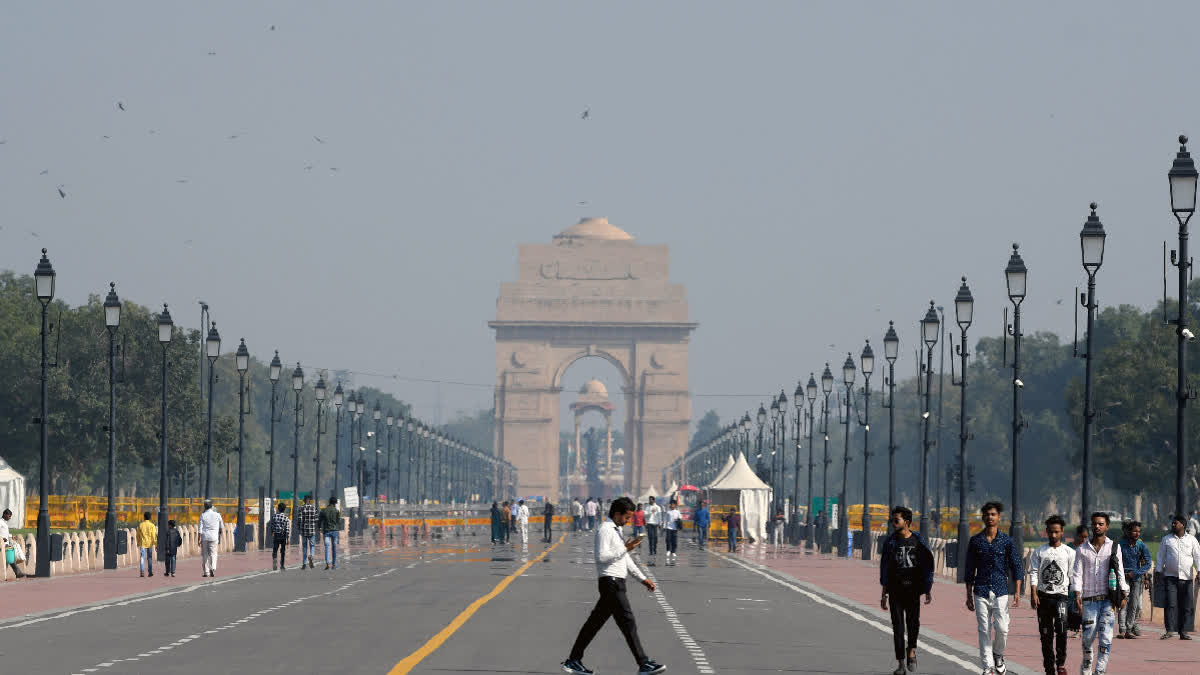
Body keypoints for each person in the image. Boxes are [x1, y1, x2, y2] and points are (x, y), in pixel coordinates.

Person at [561, 496, 667, 675]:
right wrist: (625, 548)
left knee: (593, 624)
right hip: (610, 582)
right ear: (617, 514)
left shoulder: (616, 530)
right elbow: (601, 557)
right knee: (628, 622)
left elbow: (625, 559)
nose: (628, 521)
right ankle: (643, 663)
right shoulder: (605, 530)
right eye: (626, 517)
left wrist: (642, 578)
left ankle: (573, 660)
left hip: (616, 582)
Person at [964, 501, 1024, 675]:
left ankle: (998, 654)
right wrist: (968, 595)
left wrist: (1018, 592)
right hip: (980, 590)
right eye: (987, 514)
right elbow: (969, 569)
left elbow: (1017, 566)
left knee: (1003, 628)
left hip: (1000, 590)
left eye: (993, 514)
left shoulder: (1007, 541)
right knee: (983, 629)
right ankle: (988, 667)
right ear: (983, 517)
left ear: (999, 517)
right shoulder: (976, 541)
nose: (990, 517)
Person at [1071, 512, 1128, 675]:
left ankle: (1100, 671)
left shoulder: (1114, 547)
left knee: (1105, 638)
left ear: (1107, 526)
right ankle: (1087, 665)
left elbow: (1120, 571)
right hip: (1089, 600)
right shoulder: (1082, 549)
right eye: (1095, 524)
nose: (1097, 526)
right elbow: (1077, 573)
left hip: (1107, 601)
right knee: (1088, 638)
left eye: (1101, 524)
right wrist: (1077, 594)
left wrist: (1124, 593)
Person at [880, 506, 933, 675]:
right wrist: (884, 593)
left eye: (896, 520)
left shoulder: (918, 540)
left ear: (907, 522)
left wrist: (928, 588)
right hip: (895, 590)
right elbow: (885, 567)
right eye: (892, 520)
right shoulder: (890, 542)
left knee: (913, 624)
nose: (893, 524)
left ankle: (911, 650)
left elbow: (927, 565)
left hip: (913, 590)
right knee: (898, 628)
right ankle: (901, 664)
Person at [1028, 514, 1075, 675]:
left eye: (1056, 532)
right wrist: (1033, 593)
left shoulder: (1069, 552)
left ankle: (1060, 663)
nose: (1053, 535)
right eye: (1050, 532)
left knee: (1061, 630)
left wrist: (1076, 597)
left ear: (1062, 532)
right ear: (1046, 532)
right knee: (1046, 634)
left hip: (1061, 596)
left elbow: (1072, 576)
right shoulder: (1040, 552)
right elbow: (1033, 572)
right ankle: (1049, 666)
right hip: (1043, 597)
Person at [1156, 513, 1200, 640]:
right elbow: (1160, 556)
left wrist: (1199, 571)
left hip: (1187, 578)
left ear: (1183, 525)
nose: (1173, 525)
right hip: (1170, 577)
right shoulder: (1167, 539)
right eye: (1173, 523)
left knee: (1186, 606)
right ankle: (1169, 630)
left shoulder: (1191, 539)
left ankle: (1183, 631)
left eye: (1176, 523)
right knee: (1171, 604)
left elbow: (1198, 556)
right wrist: (1158, 571)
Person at [1117, 520, 1151, 639]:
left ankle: (1129, 629)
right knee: (1123, 602)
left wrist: (1137, 572)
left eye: (1139, 531)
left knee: (1134, 604)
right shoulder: (1120, 545)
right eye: (1134, 531)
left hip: (1136, 578)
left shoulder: (1141, 545)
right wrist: (1121, 573)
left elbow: (1148, 563)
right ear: (1128, 532)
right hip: (1123, 577)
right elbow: (1115, 560)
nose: (1137, 533)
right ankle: (1122, 629)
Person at [1067, 524, 1088, 638]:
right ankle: (1076, 628)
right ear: (1076, 536)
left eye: (1086, 537)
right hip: (1071, 580)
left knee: (1082, 604)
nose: (1083, 540)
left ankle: (1081, 629)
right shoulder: (1068, 548)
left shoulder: (1087, 548)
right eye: (1081, 537)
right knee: (1073, 604)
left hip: (1084, 580)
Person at [199, 500, 223, 578]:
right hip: (214, 537)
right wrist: (219, 534)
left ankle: (206, 572)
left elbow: (200, 529)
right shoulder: (217, 515)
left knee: (205, 555)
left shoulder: (202, 515)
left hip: (205, 537)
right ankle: (213, 567)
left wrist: (198, 539)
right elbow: (221, 527)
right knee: (213, 553)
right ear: (211, 506)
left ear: (204, 506)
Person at [0, 509, 24, 579]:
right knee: (10, 559)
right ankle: (18, 573)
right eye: (9, 516)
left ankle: (7, 574)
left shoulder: (4, 523)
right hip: (2, 544)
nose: (10, 518)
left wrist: (11, 536)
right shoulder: (0, 522)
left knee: (8, 559)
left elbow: (5, 533)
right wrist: (1, 538)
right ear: (5, 514)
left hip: (6, 544)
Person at [320, 496, 342, 570]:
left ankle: (327, 563)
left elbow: (320, 520)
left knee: (327, 547)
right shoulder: (336, 511)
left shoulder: (324, 510)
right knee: (334, 547)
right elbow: (338, 521)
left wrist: (319, 527)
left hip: (326, 531)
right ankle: (334, 564)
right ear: (335, 503)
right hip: (335, 531)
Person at [298, 494, 319, 570]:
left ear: (304, 500)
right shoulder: (314, 508)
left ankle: (304, 563)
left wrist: (299, 528)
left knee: (304, 547)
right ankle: (311, 556)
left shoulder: (301, 508)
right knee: (312, 546)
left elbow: (300, 520)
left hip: (304, 530)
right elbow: (316, 520)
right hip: (312, 530)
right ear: (310, 500)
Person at [269, 501, 291, 570]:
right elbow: (287, 529)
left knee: (275, 549)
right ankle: (282, 565)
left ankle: (275, 560)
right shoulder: (286, 518)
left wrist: (272, 532)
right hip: (283, 536)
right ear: (284, 509)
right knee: (282, 551)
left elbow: (272, 525)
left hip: (276, 535)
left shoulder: (274, 516)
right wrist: (287, 538)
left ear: (278, 509)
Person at [137, 511, 157, 578]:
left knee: (142, 557)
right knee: (150, 558)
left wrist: (138, 542)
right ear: (150, 517)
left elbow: (138, 535)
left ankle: (142, 571)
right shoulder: (152, 525)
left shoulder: (141, 525)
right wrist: (156, 544)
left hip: (143, 544)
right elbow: (154, 536)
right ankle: (150, 571)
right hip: (150, 544)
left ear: (144, 517)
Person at [644, 496, 662, 561]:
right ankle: (651, 551)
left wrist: (660, 523)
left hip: (655, 524)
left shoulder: (658, 507)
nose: (650, 501)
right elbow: (645, 515)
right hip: (649, 524)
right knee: (650, 538)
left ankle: (654, 549)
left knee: (655, 538)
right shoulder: (647, 507)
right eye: (649, 500)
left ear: (654, 500)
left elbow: (659, 516)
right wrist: (650, 512)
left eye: (651, 500)